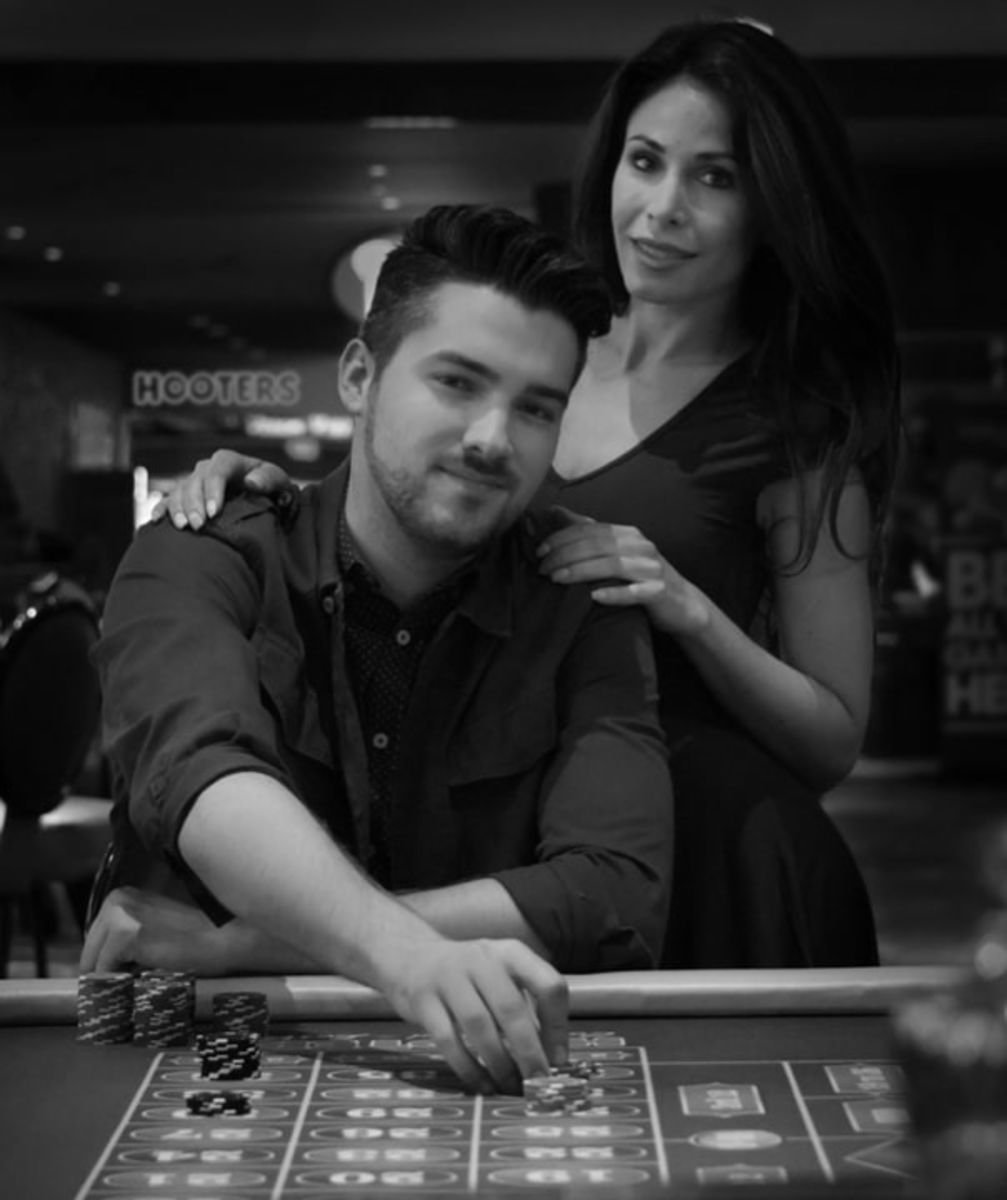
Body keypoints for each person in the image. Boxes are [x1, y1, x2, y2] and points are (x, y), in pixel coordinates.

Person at [162, 19, 903, 969]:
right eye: (645, 161)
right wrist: (271, 498)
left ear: (772, 206)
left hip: (711, 847)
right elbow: (413, 493)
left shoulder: (796, 423)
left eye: (714, 178)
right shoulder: (543, 343)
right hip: (507, 831)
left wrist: (685, 607)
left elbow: (832, 739)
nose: (663, 207)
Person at [81, 205, 674, 1094]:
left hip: (484, 1071)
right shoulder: (198, 547)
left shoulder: (579, 592)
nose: (490, 438)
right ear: (360, 375)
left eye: (535, 408)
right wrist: (412, 955)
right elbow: (207, 778)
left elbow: (614, 896)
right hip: (196, 1054)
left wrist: (243, 941)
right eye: (457, 382)